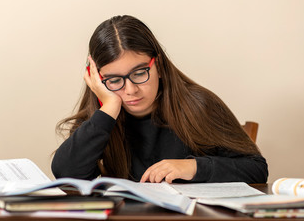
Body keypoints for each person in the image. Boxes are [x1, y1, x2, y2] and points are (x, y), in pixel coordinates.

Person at [51, 15, 268, 184]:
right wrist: (109, 108)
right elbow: (66, 174)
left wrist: (192, 167)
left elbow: (257, 168)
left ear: (160, 66)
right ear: (97, 80)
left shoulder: (199, 105)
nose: (130, 90)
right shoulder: (101, 117)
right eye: (114, 80)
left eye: (139, 73)